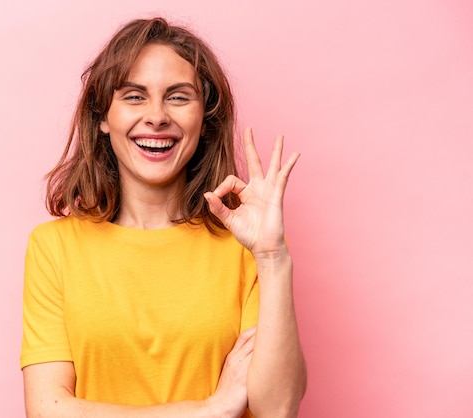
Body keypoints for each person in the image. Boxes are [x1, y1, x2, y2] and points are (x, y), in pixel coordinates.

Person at [20, 17, 307, 418]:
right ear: (103, 117)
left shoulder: (248, 245)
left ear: (204, 121)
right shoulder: (53, 247)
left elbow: (277, 409)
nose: (156, 116)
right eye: (135, 97)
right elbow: (48, 410)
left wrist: (273, 257)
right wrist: (210, 409)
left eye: (178, 97)